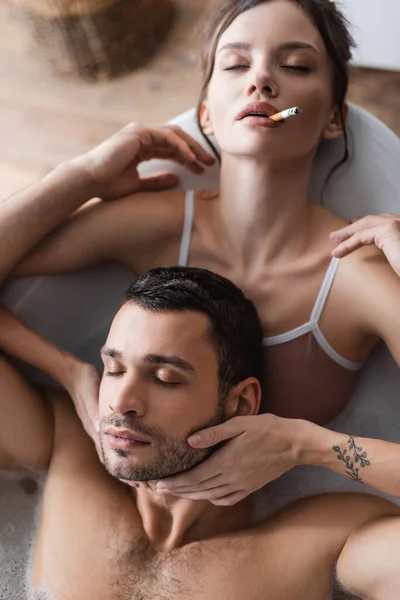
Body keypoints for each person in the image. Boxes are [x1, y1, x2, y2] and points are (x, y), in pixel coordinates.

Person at [2, 0, 400, 505]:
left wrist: (307, 447)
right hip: (110, 502)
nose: (261, 82)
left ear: (334, 119)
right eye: (236, 64)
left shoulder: (355, 275)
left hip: (284, 531)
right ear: (207, 114)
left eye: (295, 65)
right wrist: (82, 177)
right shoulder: (158, 226)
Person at [1, 264, 400, 600]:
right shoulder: (64, 445)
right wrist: (68, 369)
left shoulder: (320, 543)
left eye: (164, 378)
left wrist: (306, 445)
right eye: (115, 369)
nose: (122, 402)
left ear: (241, 403)